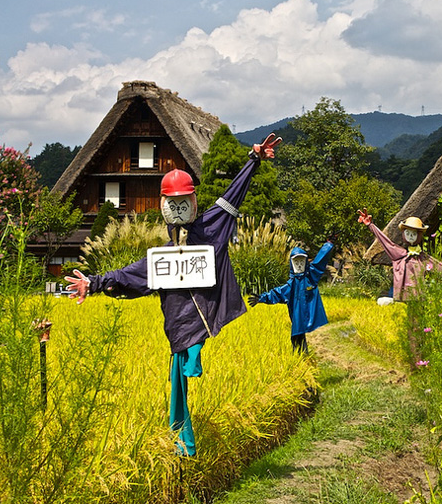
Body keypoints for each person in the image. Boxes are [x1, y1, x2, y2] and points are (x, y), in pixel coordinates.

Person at [65, 133, 282, 456]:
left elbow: (231, 196)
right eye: (173, 203)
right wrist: (93, 283)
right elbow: (128, 276)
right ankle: (183, 441)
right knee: (179, 387)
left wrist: (253, 161)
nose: (179, 208)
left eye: (184, 202)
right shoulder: (162, 258)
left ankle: (186, 418)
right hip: (180, 327)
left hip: (204, 317)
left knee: (184, 375)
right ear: (165, 207)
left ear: (193, 202)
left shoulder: (211, 227)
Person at [248, 240, 334, 354]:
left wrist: (329, 244)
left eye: (301, 261)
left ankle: (302, 358)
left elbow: (319, 261)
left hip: (309, 313)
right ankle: (300, 359)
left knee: (300, 337)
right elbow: (277, 293)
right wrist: (261, 298)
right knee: (297, 338)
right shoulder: (291, 284)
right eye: (296, 261)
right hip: (297, 317)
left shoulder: (310, 277)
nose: (299, 264)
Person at [357, 209, 442, 302]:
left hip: (418, 297)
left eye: (414, 234)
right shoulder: (399, 254)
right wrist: (370, 225)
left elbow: (440, 267)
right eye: (408, 233)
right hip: (402, 297)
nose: (410, 236)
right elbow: (385, 241)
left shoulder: (422, 258)